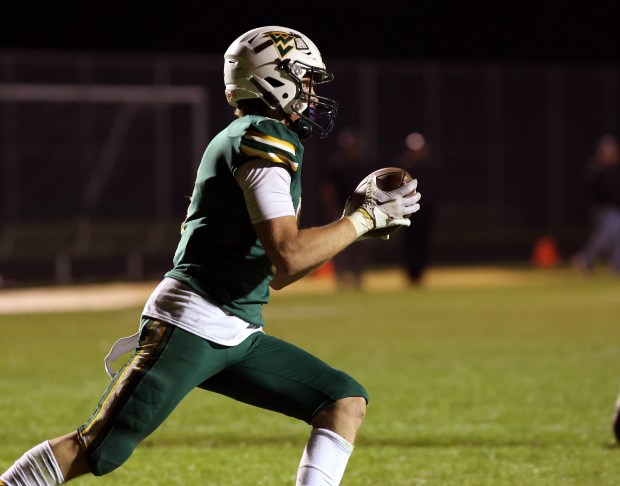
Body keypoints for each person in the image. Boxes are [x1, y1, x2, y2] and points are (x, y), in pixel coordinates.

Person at [0, 26, 420, 486]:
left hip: (235, 331)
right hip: (191, 324)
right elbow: (287, 257)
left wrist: (353, 228)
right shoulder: (263, 138)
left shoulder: (254, 137)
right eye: (304, 78)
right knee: (97, 447)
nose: (311, 92)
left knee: (342, 400)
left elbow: (275, 273)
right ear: (272, 79)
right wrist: (359, 221)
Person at [321, 128, 374, 290]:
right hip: (342, 210)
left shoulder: (364, 164)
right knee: (341, 246)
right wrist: (332, 209)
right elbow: (328, 189)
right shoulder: (337, 165)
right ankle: (342, 278)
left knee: (359, 246)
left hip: (360, 211)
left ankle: (358, 277)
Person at [393, 132, 438, 286]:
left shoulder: (429, 167)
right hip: (408, 214)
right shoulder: (403, 167)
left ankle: (419, 275)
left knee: (423, 244)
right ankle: (410, 275)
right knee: (408, 245)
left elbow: (435, 191)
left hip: (425, 213)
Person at [572, 134, 620, 275]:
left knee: (614, 235)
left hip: (615, 209)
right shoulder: (596, 169)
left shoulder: (616, 168)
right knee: (608, 235)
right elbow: (592, 192)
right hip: (602, 209)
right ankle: (586, 256)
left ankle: (616, 264)